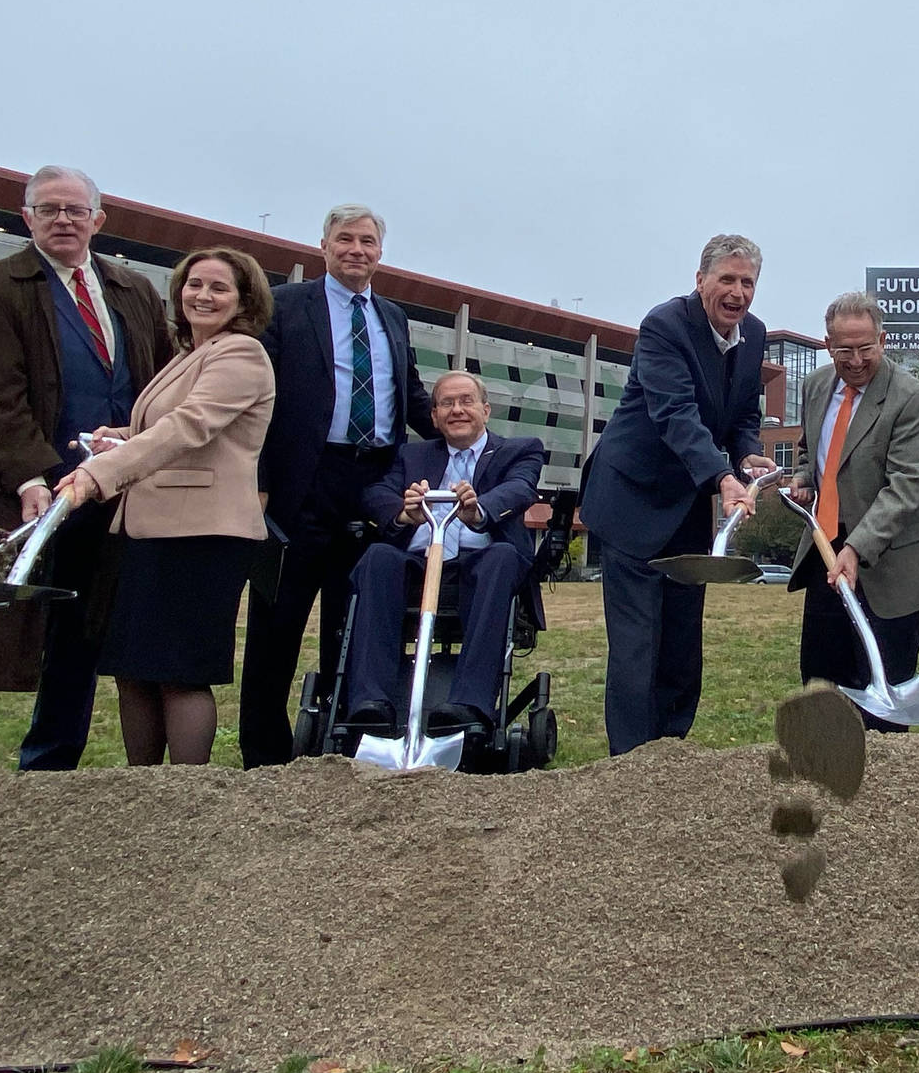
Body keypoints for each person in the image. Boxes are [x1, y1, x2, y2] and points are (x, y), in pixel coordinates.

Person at [0, 165, 175, 772]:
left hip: (108, 494)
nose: (63, 220)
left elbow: (162, 382)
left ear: (99, 219)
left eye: (74, 209)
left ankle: (51, 766)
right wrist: (30, 477)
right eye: (48, 209)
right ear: (26, 217)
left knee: (81, 631)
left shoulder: (133, 291)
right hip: (18, 492)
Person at [55, 248, 275, 765]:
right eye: (194, 284)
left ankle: (184, 798)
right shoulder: (188, 353)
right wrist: (123, 438)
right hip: (146, 532)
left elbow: (191, 426)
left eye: (219, 287)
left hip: (202, 536)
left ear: (244, 299)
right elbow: (167, 430)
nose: (202, 295)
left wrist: (99, 474)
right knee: (133, 670)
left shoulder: (241, 353)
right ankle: (141, 793)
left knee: (179, 674)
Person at [240, 203, 435, 768]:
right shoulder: (283, 306)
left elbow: (411, 396)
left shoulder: (393, 318)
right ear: (323, 247)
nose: (357, 250)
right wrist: (260, 483)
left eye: (367, 241)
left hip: (375, 484)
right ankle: (264, 758)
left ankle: (343, 746)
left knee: (356, 622)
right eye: (345, 240)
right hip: (302, 484)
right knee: (276, 625)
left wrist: (473, 440)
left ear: (381, 252)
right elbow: (257, 403)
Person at [580, 235, 772, 755]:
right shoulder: (665, 326)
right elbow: (676, 415)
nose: (737, 292)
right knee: (638, 645)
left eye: (747, 281)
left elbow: (743, 415)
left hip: (688, 505)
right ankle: (630, 764)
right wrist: (721, 478)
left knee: (683, 643)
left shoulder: (752, 336)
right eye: (726, 279)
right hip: (633, 500)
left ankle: (672, 752)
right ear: (700, 281)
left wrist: (748, 454)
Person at [343, 370, 544, 735]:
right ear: (433, 416)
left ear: (486, 409)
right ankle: (369, 704)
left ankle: (470, 704)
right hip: (417, 564)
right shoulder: (411, 454)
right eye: (446, 403)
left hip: (481, 563)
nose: (457, 410)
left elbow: (519, 489)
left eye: (466, 401)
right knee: (377, 557)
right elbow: (376, 493)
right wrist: (403, 512)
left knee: (500, 558)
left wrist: (478, 509)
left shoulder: (520, 450)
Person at [784, 293, 919, 732]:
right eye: (844, 350)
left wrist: (856, 547)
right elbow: (809, 452)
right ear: (827, 344)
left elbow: (906, 486)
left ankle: (883, 790)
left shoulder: (912, 399)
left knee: (882, 697)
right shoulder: (816, 386)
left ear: (883, 340)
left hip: (890, 565)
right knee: (822, 686)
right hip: (824, 552)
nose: (855, 360)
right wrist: (802, 481)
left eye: (866, 348)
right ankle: (824, 774)